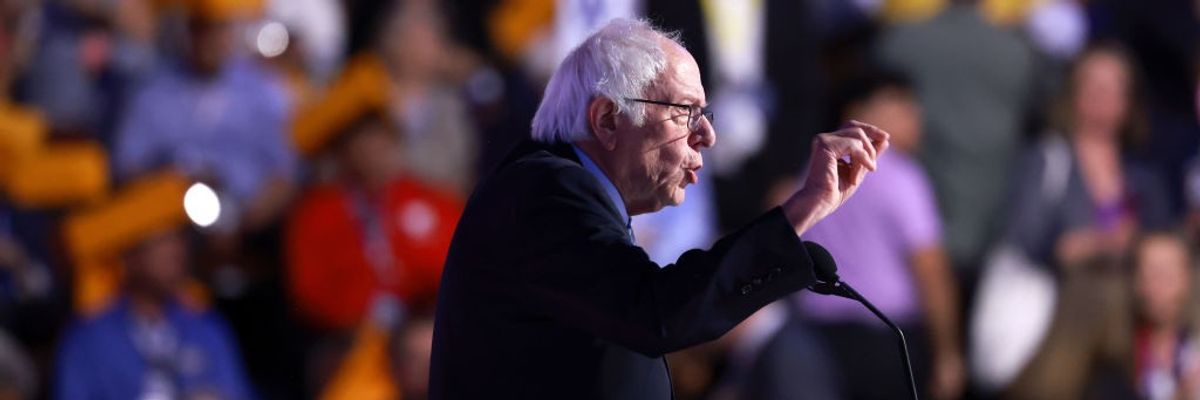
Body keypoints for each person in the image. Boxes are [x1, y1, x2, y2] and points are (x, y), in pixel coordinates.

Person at [429, 18, 889, 399]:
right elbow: (656, 311)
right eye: (686, 112)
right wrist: (799, 211)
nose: (708, 136)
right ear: (608, 119)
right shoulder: (545, 193)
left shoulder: (556, 189)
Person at [796, 70, 964, 400]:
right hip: (885, 343)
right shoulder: (902, 177)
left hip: (811, 341)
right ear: (855, 113)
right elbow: (930, 269)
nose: (914, 117)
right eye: (898, 105)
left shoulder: (812, 170)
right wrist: (948, 354)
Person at [54, 228, 254, 400]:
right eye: (161, 241)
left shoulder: (206, 328)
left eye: (178, 239)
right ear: (130, 257)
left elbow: (237, 391)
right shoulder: (89, 338)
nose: (176, 252)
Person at [1132, 231, 1200, 400]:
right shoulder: (1118, 354)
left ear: (1186, 278)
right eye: (1149, 274)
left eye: (1167, 275)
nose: (1157, 287)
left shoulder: (1194, 348)